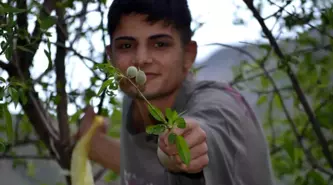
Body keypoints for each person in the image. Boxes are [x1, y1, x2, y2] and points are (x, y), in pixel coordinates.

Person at [76, 0, 276, 185]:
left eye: (160, 44)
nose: (141, 59)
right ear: (111, 57)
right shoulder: (135, 100)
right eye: (127, 46)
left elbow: (207, 129)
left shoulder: (222, 103)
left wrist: (180, 147)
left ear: (188, 54)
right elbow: (147, 169)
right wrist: (92, 143)